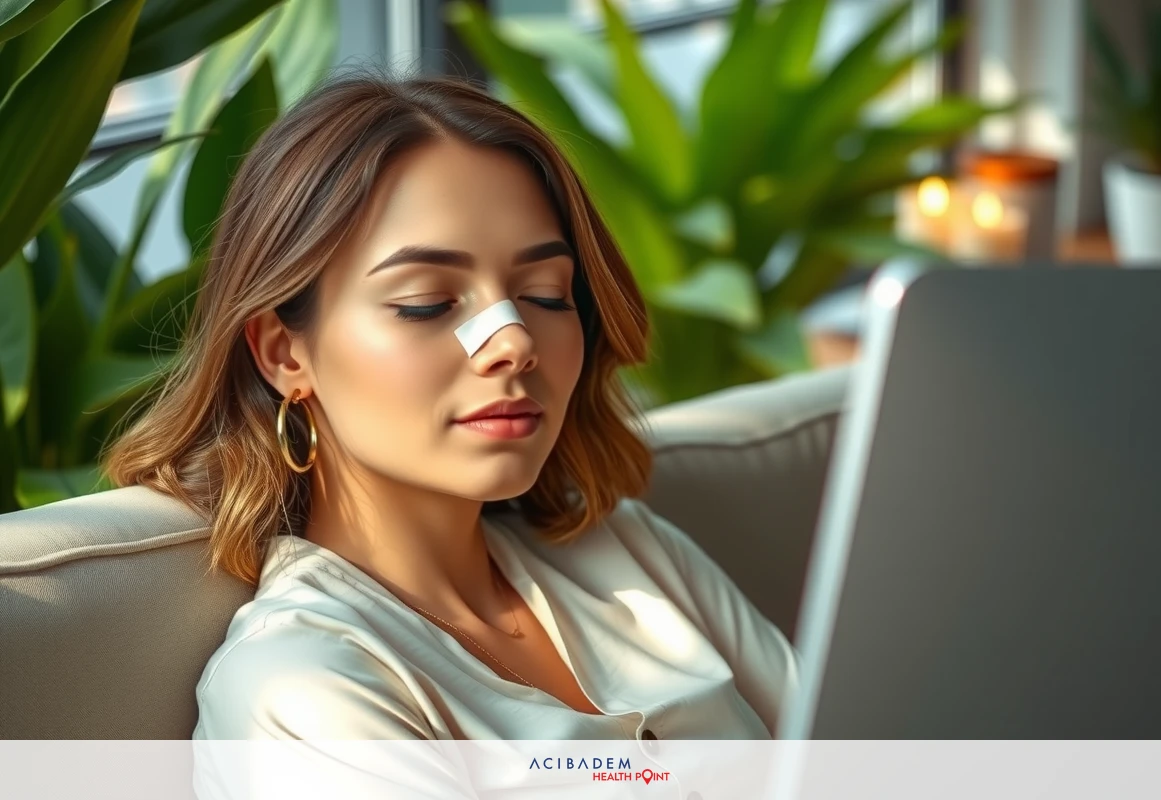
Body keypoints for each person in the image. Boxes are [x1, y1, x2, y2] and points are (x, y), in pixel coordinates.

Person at [102, 68, 799, 773]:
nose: (515, 340)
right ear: (285, 354)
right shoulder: (301, 691)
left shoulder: (632, 553)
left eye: (544, 294)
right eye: (428, 302)